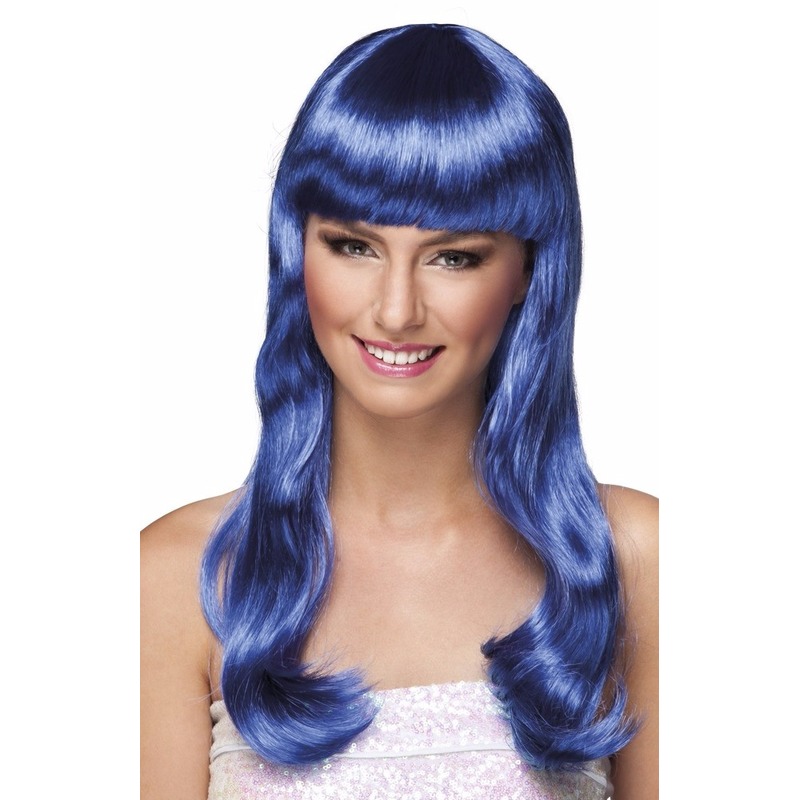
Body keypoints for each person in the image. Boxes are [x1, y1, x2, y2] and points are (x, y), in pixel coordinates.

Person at [141, 23, 658, 800]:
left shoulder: (634, 559)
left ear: (527, 268)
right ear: (297, 249)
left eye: (454, 256)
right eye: (354, 245)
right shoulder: (178, 577)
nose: (396, 310)